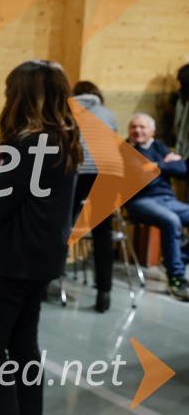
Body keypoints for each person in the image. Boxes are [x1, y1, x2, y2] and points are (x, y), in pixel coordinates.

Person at [0, 60, 82, 415]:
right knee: (23, 344)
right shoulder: (67, 137)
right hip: (43, 258)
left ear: (25, 96)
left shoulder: (28, 145)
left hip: (14, 260)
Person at [125, 113, 189, 301]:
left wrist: (154, 165)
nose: (137, 130)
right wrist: (165, 164)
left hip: (168, 200)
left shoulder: (158, 146)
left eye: (142, 127)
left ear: (152, 131)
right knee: (171, 221)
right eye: (133, 127)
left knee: (174, 217)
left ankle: (178, 258)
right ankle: (176, 278)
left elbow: (183, 170)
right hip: (139, 201)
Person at [71, 81, 123, 312]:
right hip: (110, 172)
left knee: (62, 225)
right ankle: (104, 292)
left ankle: (43, 285)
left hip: (80, 170)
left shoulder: (69, 109)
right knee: (103, 233)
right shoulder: (108, 113)